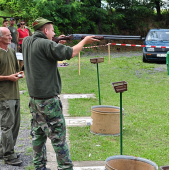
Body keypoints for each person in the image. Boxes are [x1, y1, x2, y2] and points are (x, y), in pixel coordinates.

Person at [22, 17, 99, 170]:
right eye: (52, 30)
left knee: (38, 136)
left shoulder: (26, 42)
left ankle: (39, 166)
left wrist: (55, 42)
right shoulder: (45, 43)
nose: (54, 32)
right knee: (59, 139)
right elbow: (71, 53)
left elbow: (43, 53)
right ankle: (65, 167)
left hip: (34, 101)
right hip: (49, 102)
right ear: (45, 30)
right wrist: (84, 41)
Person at [0, 27, 24, 166]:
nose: (11, 37)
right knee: (7, 126)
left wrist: (19, 74)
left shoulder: (11, 51)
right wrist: (8, 77)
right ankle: (8, 156)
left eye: (10, 35)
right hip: (3, 95)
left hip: (15, 93)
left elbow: (16, 69)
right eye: (8, 35)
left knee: (15, 124)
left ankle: (4, 150)